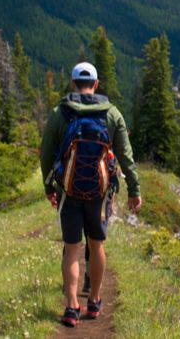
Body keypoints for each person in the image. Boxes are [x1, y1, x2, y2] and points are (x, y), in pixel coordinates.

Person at [40, 62, 142, 327]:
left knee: (72, 248)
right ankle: (95, 300)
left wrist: (49, 187)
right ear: (96, 84)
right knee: (97, 245)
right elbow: (126, 156)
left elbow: (46, 153)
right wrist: (134, 190)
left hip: (69, 191)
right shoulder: (112, 114)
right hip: (99, 194)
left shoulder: (60, 114)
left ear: (73, 84)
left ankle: (72, 306)